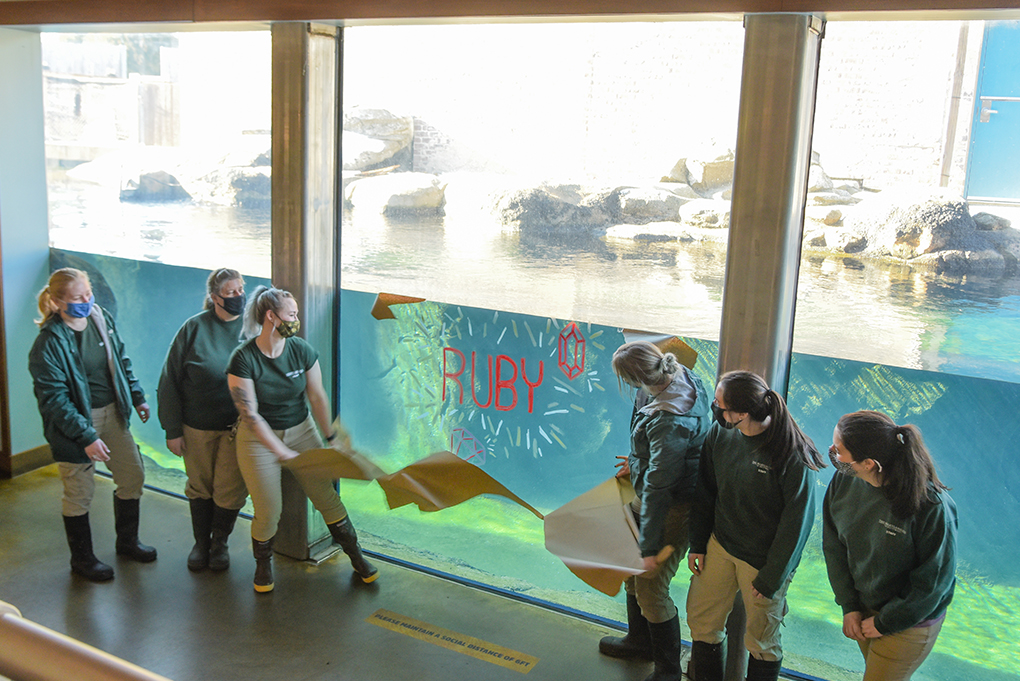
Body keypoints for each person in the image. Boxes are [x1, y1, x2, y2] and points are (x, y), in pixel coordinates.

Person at [226, 285, 377, 593]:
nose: (296, 320)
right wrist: (280, 451)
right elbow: (251, 415)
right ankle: (263, 565)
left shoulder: (302, 350)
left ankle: (357, 558)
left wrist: (331, 437)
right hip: (257, 439)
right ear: (271, 316)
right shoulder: (243, 358)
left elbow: (317, 396)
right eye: (291, 314)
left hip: (302, 429)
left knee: (326, 497)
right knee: (269, 510)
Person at [686, 370, 825, 681]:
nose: (715, 410)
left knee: (761, 641)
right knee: (702, 623)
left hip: (763, 562)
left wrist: (771, 578)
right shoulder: (720, 433)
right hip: (720, 545)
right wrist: (697, 542)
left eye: (720, 405)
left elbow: (797, 525)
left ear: (742, 413)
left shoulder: (791, 453)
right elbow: (705, 489)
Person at [28, 267, 157, 582]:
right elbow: (55, 401)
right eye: (76, 298)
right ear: (57, 302)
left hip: (114, 413)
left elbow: (121, 360)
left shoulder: (101, 319)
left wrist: (137, 396)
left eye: (88, 294)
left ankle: (127, 542)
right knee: (79, 492)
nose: (86, 301)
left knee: (132, 475)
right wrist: (86, 436)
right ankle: (82, 559)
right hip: (76, 424)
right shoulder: (48, 344)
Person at [598, 341, 711, 681]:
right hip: (655, 488)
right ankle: (639, 641)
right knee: (631, 573)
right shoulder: (678, 374)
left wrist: (649, 549)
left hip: (672, 503)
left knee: (650, 585)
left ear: (634, 380)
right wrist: (637, 461)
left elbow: (660, 488)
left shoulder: (670, 419)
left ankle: (668, 669)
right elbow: (662, 455)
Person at [823, 411, 957, 681]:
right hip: (864, 608)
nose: (832, 453)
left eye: (838, 450)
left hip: (910, 619)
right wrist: (849, 605)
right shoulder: (845, 480)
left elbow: (933, 581)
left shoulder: (930, 506)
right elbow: (833, 545)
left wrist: (887, 622)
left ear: (869, 463)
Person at [157, 268, 248, 572]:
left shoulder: (252, 329)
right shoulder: (193, 328)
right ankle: (201, 543)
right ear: (214, 297)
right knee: (200, 486)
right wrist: (172, 429)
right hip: (196, 425)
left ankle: (219, 542)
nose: (237, 296)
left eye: (240, 290)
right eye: (230, 292)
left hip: (237, 428)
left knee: (229, 488)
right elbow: (169, 379)